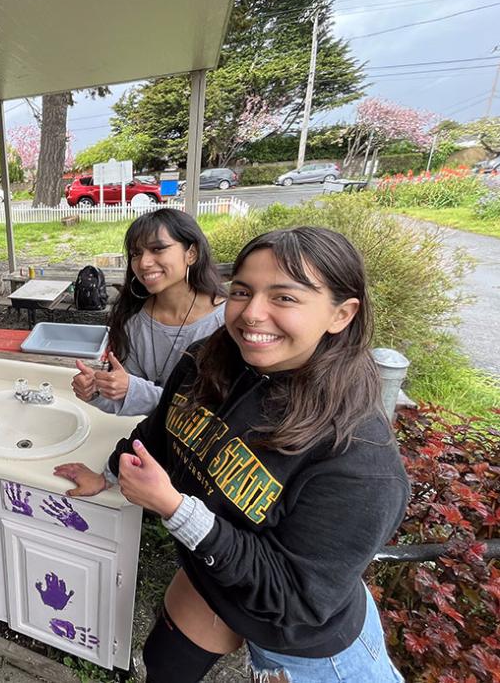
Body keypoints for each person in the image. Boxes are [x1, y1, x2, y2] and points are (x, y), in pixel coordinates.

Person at [55, 227, 408, 682]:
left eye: (284, 298)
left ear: (342, 314)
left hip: (302, 638)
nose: (252, 314)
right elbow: (160, 431)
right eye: (242, 291)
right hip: (217, 576)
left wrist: (176, 509)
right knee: (163, 664)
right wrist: (108, 475)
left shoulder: (360, 459)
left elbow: (294, 595)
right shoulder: (208, 360)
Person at [72, 208, 224, 416]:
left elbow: (216, 412)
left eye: (158, 249)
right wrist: (96, 391)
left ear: (191, 253)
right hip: (153, 441)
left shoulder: (227, 321)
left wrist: (134, 390)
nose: (144, 263)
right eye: (136, 254)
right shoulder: (134, 320)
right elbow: (130, 397)